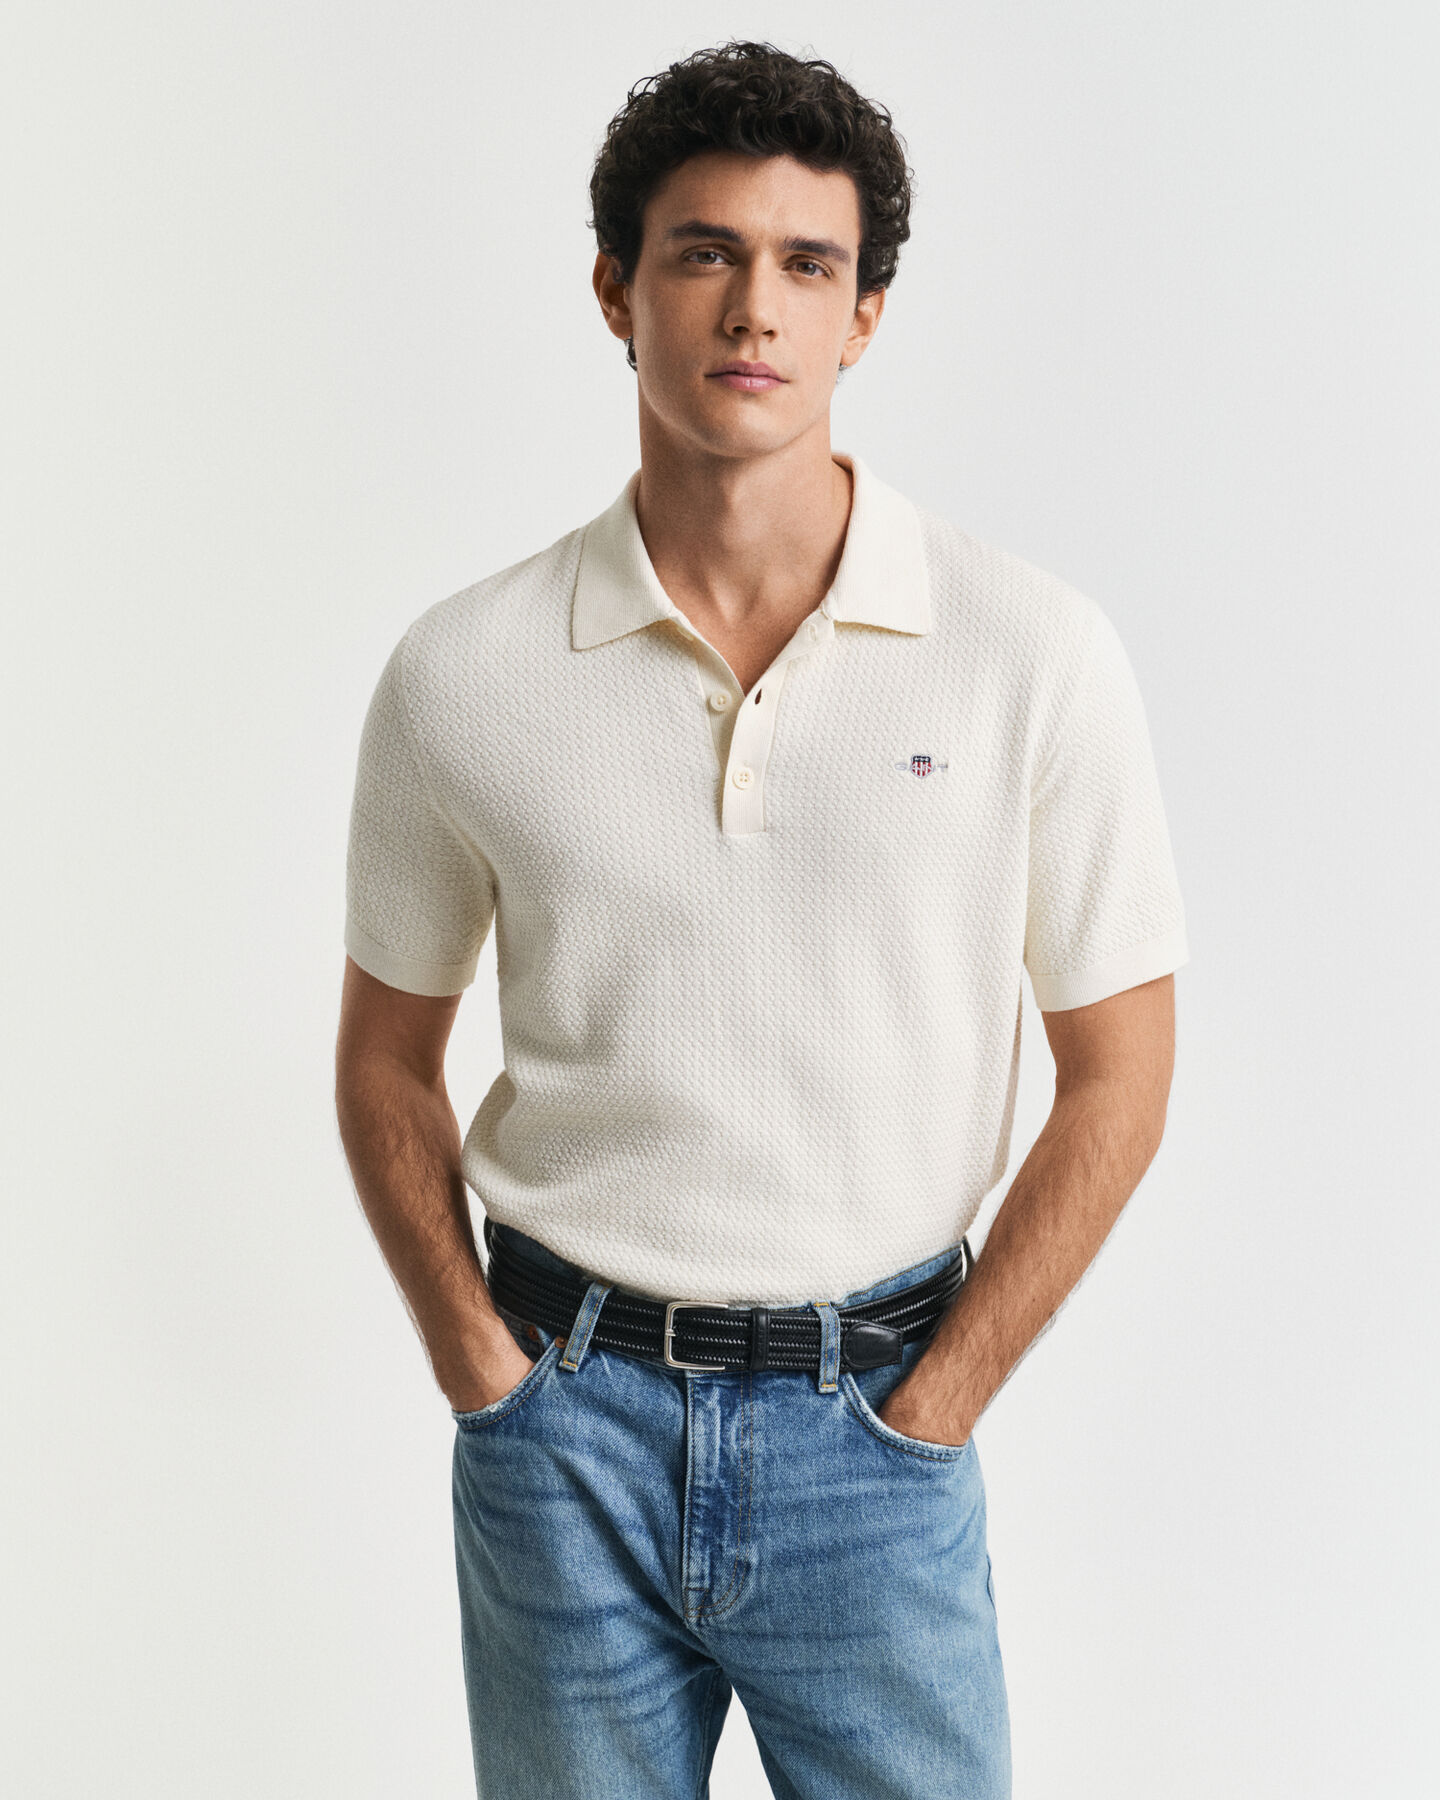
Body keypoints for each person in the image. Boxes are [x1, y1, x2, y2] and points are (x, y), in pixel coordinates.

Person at [334, 39, 1188, 1800]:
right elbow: (383, 1061)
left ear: (865, 315)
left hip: (874, 1431)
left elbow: (1122, 1072)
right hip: (561, 1428)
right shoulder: (464, 673)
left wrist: (936, 1408)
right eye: (706, 252)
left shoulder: (1028, 653)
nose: (754, 308)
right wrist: (485, 1378)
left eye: (809, 264)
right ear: (616, 289)